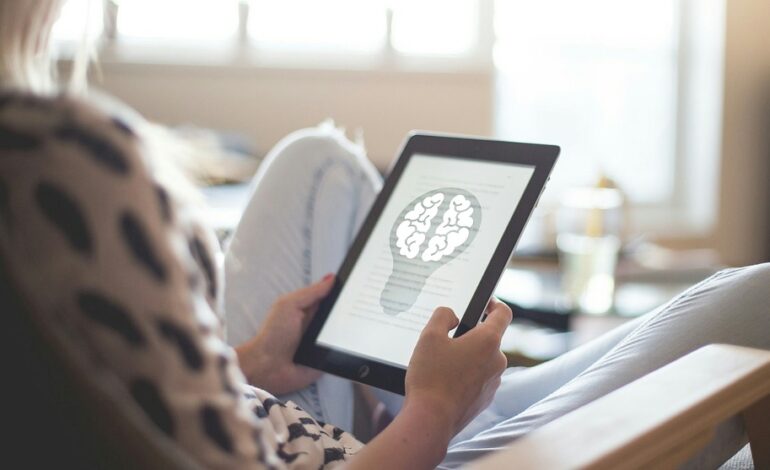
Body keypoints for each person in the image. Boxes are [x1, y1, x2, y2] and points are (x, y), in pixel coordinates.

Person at [0, 1, 768, 468]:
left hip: (296, 415)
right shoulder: (58, 161)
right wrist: (433, 417)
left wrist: (253, 363)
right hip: (403, 458)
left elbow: (140, 402)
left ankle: (432, 395)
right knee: (757, 299)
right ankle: (441, 404)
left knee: (320, 160)